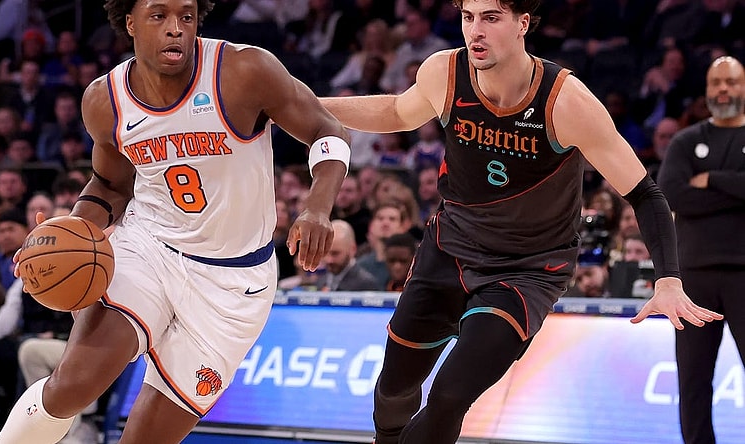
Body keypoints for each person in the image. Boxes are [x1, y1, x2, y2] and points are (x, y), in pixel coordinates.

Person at [318, 1, 723, 443]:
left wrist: (668, 279)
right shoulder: (444, 73)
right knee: (393, 390)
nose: (476, 31)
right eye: (468, 17)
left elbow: (646, 193)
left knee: (451, 396)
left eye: (491, 18)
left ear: (522, 24)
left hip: (526, 270)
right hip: (450, 251)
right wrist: (307, 105)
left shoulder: (566, 102)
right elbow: (398, 111)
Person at [0, 1, 350, 443]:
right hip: (149, 249)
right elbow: (109, 186)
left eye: (186, 16)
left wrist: (317, 207)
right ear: (129, 22)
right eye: (158, 15)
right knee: (72, 386)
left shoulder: (242, 70)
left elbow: (328, 129)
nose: (175, 29)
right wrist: (66, 233)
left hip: (235, 284)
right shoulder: (105, 100)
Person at [657, 55, 745, 444]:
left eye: (731, 82)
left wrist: (710, 181)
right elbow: (674, 194)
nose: (723, 89)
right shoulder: (686, 140)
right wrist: (735, 190)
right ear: (707, 90)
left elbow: (692, 194)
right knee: (692, 381)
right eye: (716, 83)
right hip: (692, 278)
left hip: (744, 275)